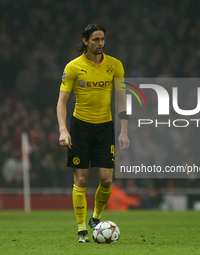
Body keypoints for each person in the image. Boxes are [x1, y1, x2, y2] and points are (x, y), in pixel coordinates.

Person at [56, 24, 130, 243]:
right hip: (80, 127)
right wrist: (63, 129)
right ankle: (81, 230)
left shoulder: (115, 65)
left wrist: (124, 131)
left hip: (105, 127)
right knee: (81, 179)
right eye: (96, 40)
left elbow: (123, 100)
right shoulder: (73, 67)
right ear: (86, 41)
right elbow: (61, 101)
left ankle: (96, 217)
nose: (100, 44)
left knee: (107, 181)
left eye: (103, 39)